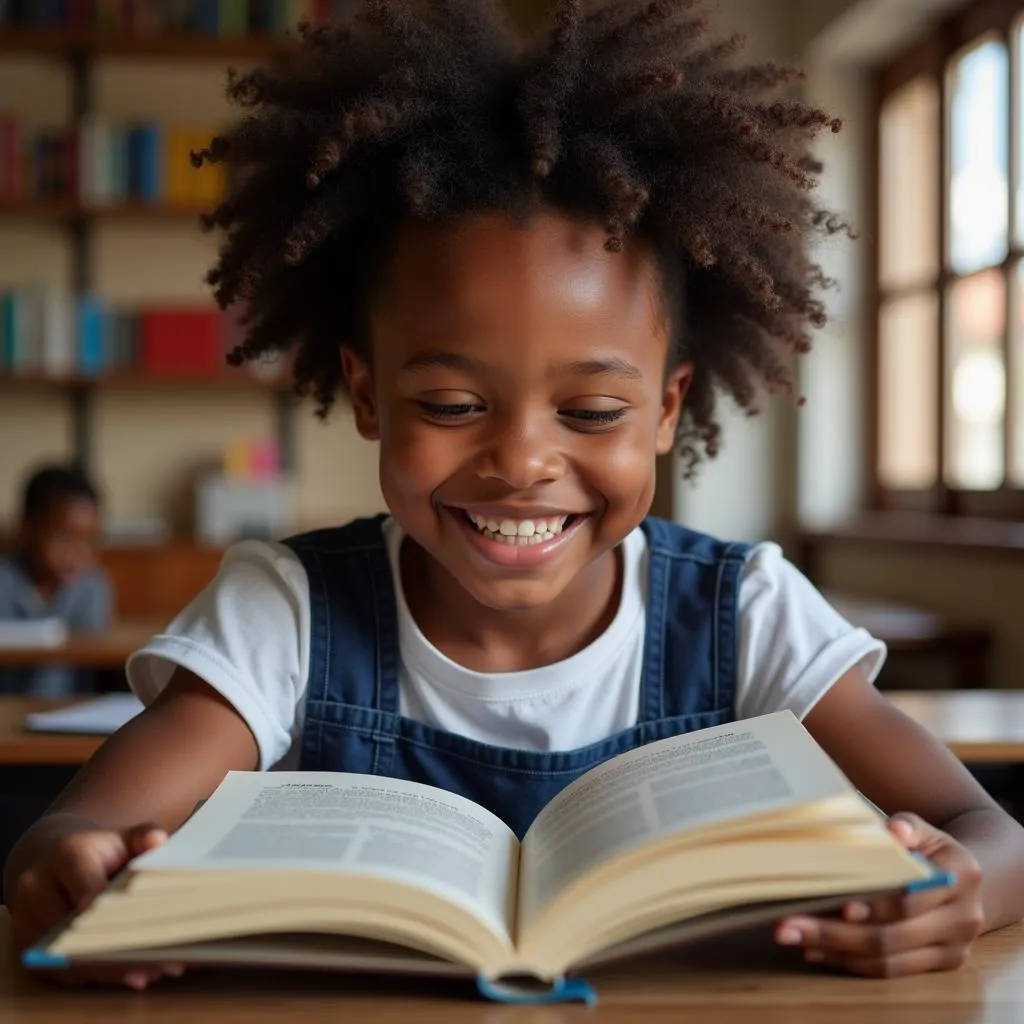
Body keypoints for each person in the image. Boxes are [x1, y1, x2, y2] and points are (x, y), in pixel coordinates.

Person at [6, 0, 1024, 990]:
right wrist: (73, 868)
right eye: (452, 401)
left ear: (668, 410)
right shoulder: (286, 611)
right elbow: (64, 832)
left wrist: (957, 889)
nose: (522, 461)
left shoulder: (743, 610)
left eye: (589, 412)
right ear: (367, 393)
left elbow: (994, 831)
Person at [0, 464, 112, 696]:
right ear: (26, 528)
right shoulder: (5, 581)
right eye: (64, 537)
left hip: (73, 710)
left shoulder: (91, 585)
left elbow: (97, 661)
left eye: (90, 540)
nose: (79, 552)